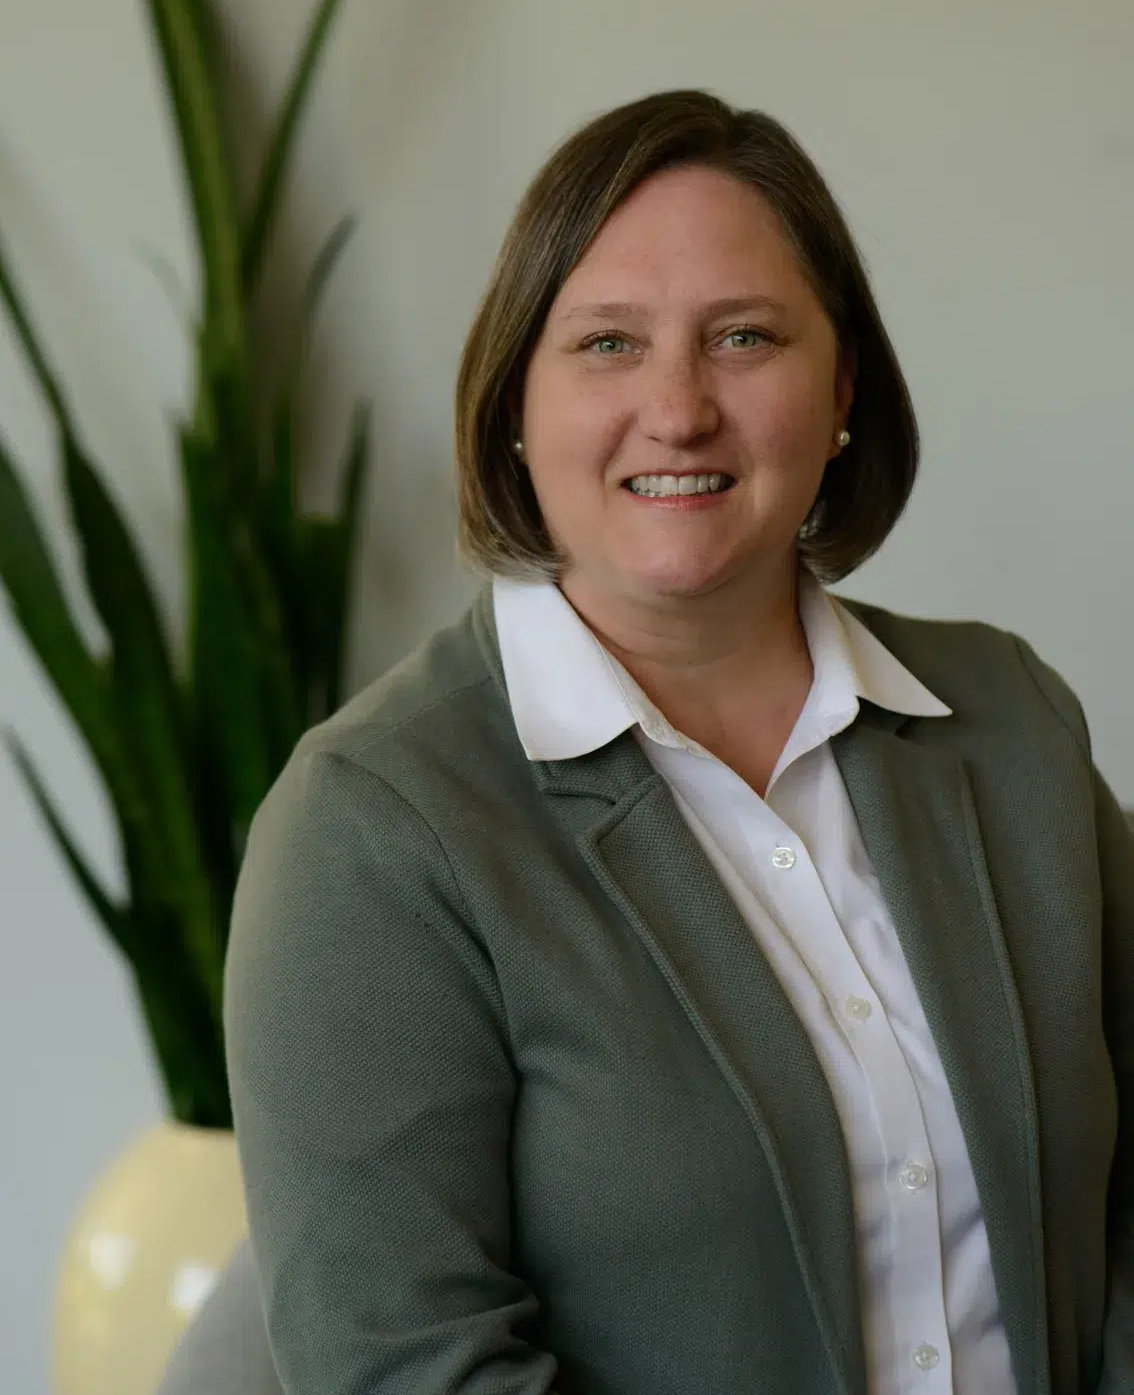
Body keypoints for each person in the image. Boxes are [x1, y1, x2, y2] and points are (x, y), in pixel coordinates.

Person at [223, 89, 1133, 1395]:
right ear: (515, 407)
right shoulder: (375, 828)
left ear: (841, 390)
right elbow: (407, 1368)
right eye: (605, 343)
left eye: (745, 337)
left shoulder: (1010, 724)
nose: (679, 407)